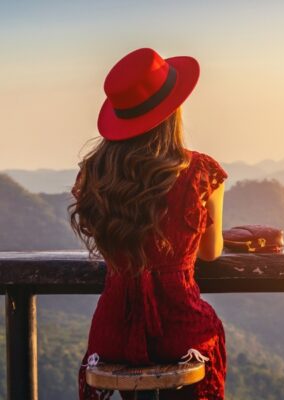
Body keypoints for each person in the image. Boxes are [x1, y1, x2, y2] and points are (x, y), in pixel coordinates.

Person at [69, 48, 228, 400]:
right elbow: (211, 252)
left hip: (113, 332)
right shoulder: (200, 173)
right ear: (173, 111)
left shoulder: (94, 174)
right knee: (207, 336)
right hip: (180, 330)